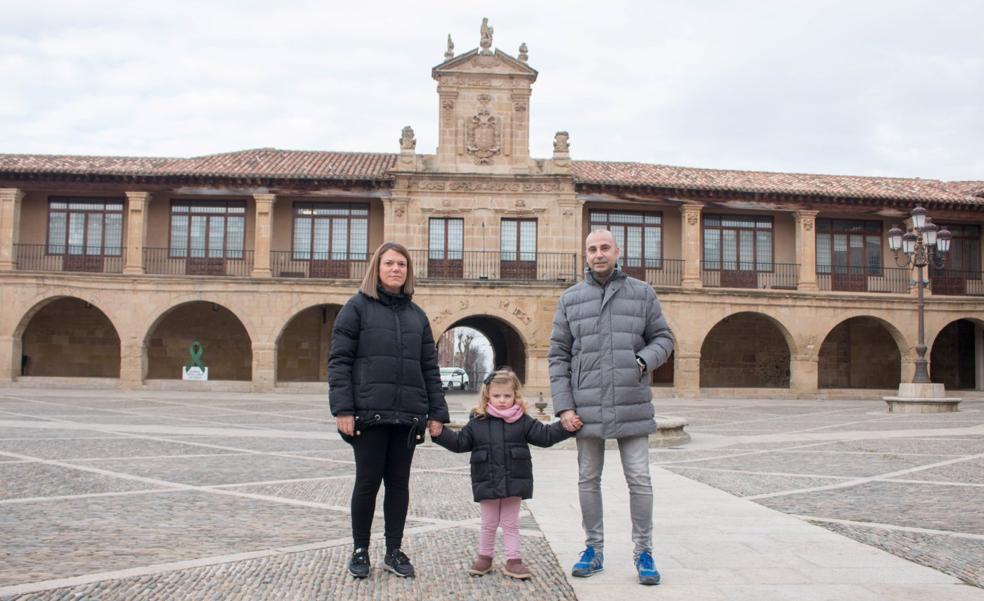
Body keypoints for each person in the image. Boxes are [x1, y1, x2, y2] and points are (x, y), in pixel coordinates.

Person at [548, 229, 675, 586]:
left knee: (640, 479)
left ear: (618, 251)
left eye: (605, 247)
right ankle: (593, 549)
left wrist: (641, 362)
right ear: (585, 254)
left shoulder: (642, 293)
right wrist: (563, 407)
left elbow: (663, 338)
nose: (599, 254)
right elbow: (557, 356)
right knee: (588, 479)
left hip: (632, 402)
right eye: (592, 248)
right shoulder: (570, 299)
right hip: (585, 406)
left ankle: (644, 552)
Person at [329, 241, 449, 579]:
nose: (396, 269)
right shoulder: (356, 308)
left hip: (407, 416)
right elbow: (340, 361)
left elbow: (429, 367)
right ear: (376, 269)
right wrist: (343, 409)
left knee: (399, 484)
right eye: (390, 264)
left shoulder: (417, 316)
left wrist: (436, 412)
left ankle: (394, 550)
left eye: (402, 265)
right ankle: (360, 549)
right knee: (367, 482)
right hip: (368, 414)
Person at [430, 368, 579, 579]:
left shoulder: (523, 420)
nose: (502, 400)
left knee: (511, 523)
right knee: (488, 523)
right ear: (487, 396)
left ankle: (513, 560)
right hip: (487, 479)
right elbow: (459, 442)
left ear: (515, 396)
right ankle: (485, 557)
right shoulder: (477, 422)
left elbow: (545, 436)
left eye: (507, 396)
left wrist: (567, 428)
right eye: (497, 395)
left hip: (513, 479)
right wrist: (440, 434)